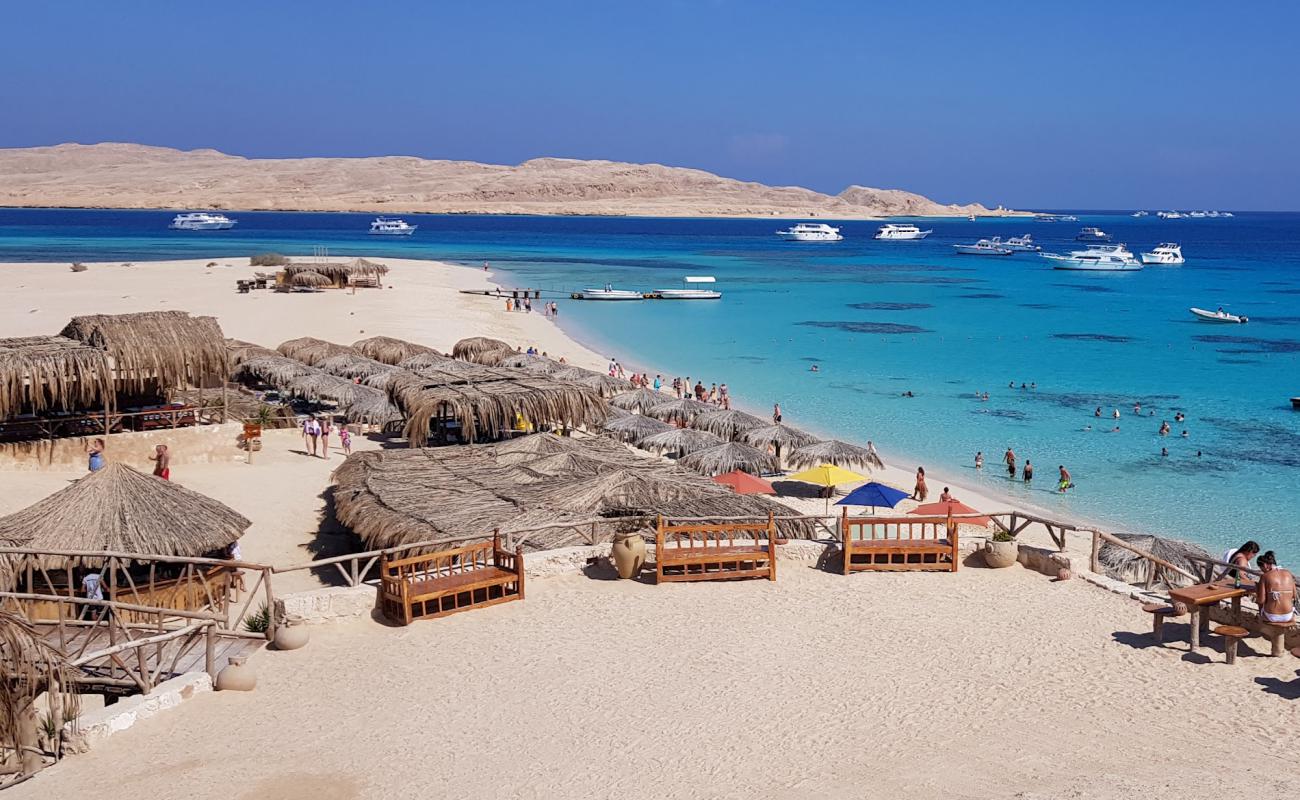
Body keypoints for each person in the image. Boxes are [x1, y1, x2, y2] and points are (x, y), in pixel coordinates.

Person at [1256, 551, 1296, 623]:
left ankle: (1261, 618)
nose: (1261, 571)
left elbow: (1261, 600)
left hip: (1272, 616)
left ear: (1265, 565)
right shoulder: (1288, 573)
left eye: (1261, 568)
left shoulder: (1264, 576)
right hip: (1288, 615)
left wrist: (1257, 591)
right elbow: (1294, 595)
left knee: (1261, 604)